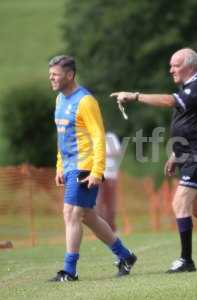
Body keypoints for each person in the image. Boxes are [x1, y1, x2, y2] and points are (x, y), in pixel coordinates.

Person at [110, 48, 197, 273]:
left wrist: (135, 96)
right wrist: (176, 154)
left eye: (175, 65)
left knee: (179, 203)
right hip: (190, 152)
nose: (171, 69)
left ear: (190, 66)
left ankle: (186, 260)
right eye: (171, 65)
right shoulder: (187, 89)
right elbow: (191, 125)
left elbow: (168, 102)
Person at [48, 55, 137, 281]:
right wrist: (59, 166)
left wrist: (97, 171)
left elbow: (99, 138)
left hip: (85, 166)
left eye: (55, 75)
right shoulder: (59, 100)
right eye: (50, 75)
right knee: (88, 216)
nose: (52, 78)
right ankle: (125, 256)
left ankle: (69, 271)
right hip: (69, 168)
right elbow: (62, 138)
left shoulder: (86, 101)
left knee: (71, 213)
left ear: (70, 75)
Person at [96, 132, 122, 232]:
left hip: (111, 176)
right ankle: (100, 229)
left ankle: (111, 228)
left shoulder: (110, 136)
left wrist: (103, 153)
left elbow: (118, 152)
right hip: (97, 175)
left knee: (111, 204)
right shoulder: (94, 136)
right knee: (98, 202)